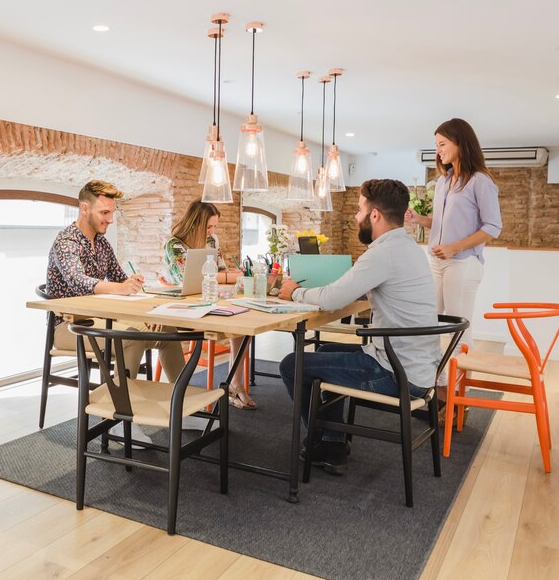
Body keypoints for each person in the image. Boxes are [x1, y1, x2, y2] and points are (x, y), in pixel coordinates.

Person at [277, 179, 439, 473]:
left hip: (395, 373)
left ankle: (323, 441)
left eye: (359, 208)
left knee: (292, 364)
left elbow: (333, 298)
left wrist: (293, 292)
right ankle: (332, 441)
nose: (355, 216)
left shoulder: (381, 253)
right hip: (419, 368)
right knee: (325, 349)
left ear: (374, 215)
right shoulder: (409, 247)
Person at [46, 179, 183, 385]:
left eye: (112, 212)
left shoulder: (102, 243)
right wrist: (122, 287)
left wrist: (136, 290)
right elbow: (78, 281)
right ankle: (123, 406)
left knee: (167, 331)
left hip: (101, 318)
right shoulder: (66, 242)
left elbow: (120, 280)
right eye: (104, 213)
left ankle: (179, 400)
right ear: (84, 208)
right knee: (127, 338)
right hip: (68, 326)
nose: (110, 219)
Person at [405, 118, 502, 373]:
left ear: (461, 142)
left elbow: (493, 227)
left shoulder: (480, 181)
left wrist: (455, 247)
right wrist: (418, 219)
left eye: (442, 144)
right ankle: (429, 380)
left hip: (463, 263)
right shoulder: (444, 181)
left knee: (457, 328)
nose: (438, 150)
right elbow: (443, 223)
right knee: (429, 322)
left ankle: (457, 395)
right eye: (436, 145)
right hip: (437, 262)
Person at [161, 200, 253, 408]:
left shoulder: (211, 241)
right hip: (182, 307)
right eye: (208, 227)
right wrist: (229, 277)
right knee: (237, 319)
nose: (211, 232)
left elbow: (220, 270)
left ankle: (234, 384)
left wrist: (225, 276)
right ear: (195, 224)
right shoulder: (174, 245)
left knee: (242, 320)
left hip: (209, 299)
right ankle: (232, 385)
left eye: (214, 227)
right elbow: (184, 278)